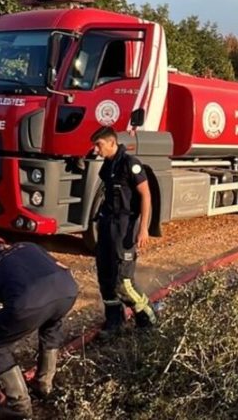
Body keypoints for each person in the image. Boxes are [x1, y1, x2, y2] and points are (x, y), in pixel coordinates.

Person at [0, 235, 79, 419]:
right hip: (67, 290)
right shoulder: (29, 246)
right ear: (2, 243)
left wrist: (9, 331)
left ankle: (19, 406)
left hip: (28, 303)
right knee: (51, 323)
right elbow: (62, 266)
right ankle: (45, 385)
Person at [90, 125, 157, 338]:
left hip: (126, 227)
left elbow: (146, 195)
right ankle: (114, 322)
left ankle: (148, 320)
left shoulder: (131, 165)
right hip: (107, 225)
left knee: (123, 283)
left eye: (99, 145)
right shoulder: (108, 166)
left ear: (112, 143)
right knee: (106, 278)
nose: (96, 150)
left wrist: (143, 228)